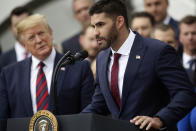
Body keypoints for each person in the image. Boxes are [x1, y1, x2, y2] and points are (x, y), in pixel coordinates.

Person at [82, 0, 196, 131]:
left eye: (100, 25)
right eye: (93, 26)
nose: (96, 32)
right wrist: (70, 123)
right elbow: (98, 105)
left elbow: (185, 94)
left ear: (119, 22)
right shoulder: (102, 58)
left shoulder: (157, 51)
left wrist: (160, 119)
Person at [0, 14, 94, 130]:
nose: (39, 40)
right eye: (31, 37)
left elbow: (89, 114)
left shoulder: (79, 68)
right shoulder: (9, 75)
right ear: (25, 46)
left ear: (51, 33)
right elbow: (3, 119)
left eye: (41, 33)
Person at [177, 15, 196, 131]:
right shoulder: (171, 63)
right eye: (186, 33)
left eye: (194, 33)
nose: (190, 37)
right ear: (179, 37)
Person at [0, 6, 31, 72]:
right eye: (17, 25)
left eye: (24, 23)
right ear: (11, 29)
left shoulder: (44, 50)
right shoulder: (2, 61)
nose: (21, 28)